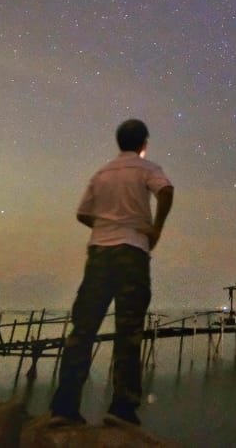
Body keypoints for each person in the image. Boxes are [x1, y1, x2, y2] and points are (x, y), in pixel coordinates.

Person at [50, 118, 174, 427]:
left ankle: (64, 407)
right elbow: (166, 190)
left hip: (99, 254)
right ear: (143, 144)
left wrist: (106, 227)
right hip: (132, 251)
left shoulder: (101, 173)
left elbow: (82, 213)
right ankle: (122, 407)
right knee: (128, 330)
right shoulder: (147, 168)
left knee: (83, 329)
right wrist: (155, 229)